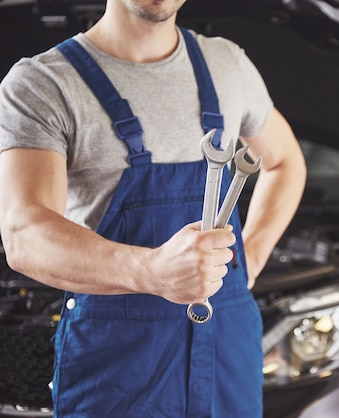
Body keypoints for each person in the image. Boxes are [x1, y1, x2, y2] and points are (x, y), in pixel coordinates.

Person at [0, 0, 307, 416]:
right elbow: (25, 234)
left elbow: (285, 161)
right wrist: (151, 271)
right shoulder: (43, 83)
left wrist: (249, 258)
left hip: (228, 356)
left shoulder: (227, 64)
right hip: (118, 370)